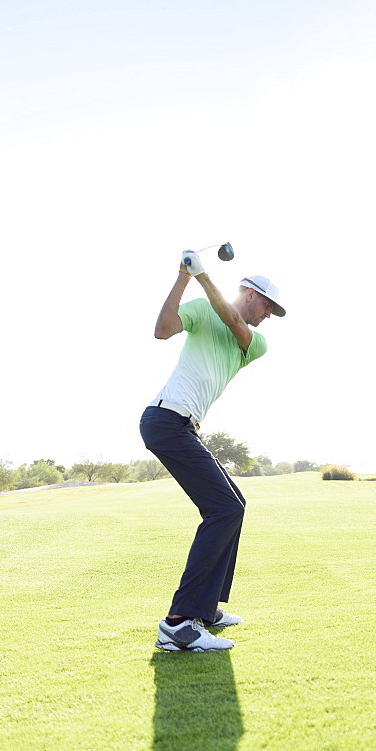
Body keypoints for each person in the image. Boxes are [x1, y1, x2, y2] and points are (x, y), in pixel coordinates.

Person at [139, 249, 285, 653]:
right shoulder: (203, 309)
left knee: (234, 502)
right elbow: (162, 330)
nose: (268, 315)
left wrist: (202, 275)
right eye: (268, 306)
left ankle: (204, 611)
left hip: (183, 426)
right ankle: (180, 623)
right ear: (251, 294)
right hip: (165, 420)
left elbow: (234, 321)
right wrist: (184, 278)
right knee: (225, 509)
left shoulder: (254, 343)